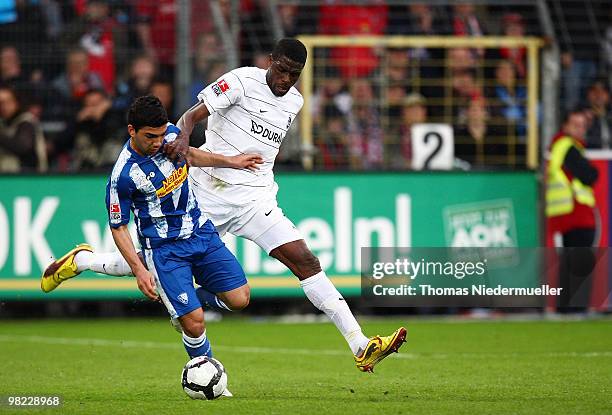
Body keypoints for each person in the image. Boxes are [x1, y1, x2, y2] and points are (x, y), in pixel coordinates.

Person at [42, 38, 406, 373]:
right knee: (152, 259)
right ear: (270, 62)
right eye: (281, 70)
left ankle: (360, 344)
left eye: (294, 75)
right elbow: (189, 116)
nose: (285, 79)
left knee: (306, 261)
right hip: (207, 195)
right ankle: (86, 261)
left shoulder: (295, 102)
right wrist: (182, 138)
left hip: (256, 199)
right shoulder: (241, 81)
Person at [45, 95, 259, 392]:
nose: (158, 142)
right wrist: (140, 270)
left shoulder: (170, 134)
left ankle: (85, 261)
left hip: (200, 232)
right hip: (164, 251)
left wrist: (232, 162)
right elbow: (118, 227)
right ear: (131, 130)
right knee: (194, 322)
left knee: (239, 299)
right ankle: (210, 380)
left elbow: (191, 156)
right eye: (150, 136)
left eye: (161, 134)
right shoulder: (123, 175)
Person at [545, 109, 599, 311]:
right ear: (565, 126)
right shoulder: (568, 146)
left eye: (582, 125)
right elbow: (590, 175)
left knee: (570, 263)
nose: (580, 130)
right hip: (576, 213)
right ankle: (575, 308)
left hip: (566, 213)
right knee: (579, 263)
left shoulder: (561, 146)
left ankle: (566, 307)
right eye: (575, 125)